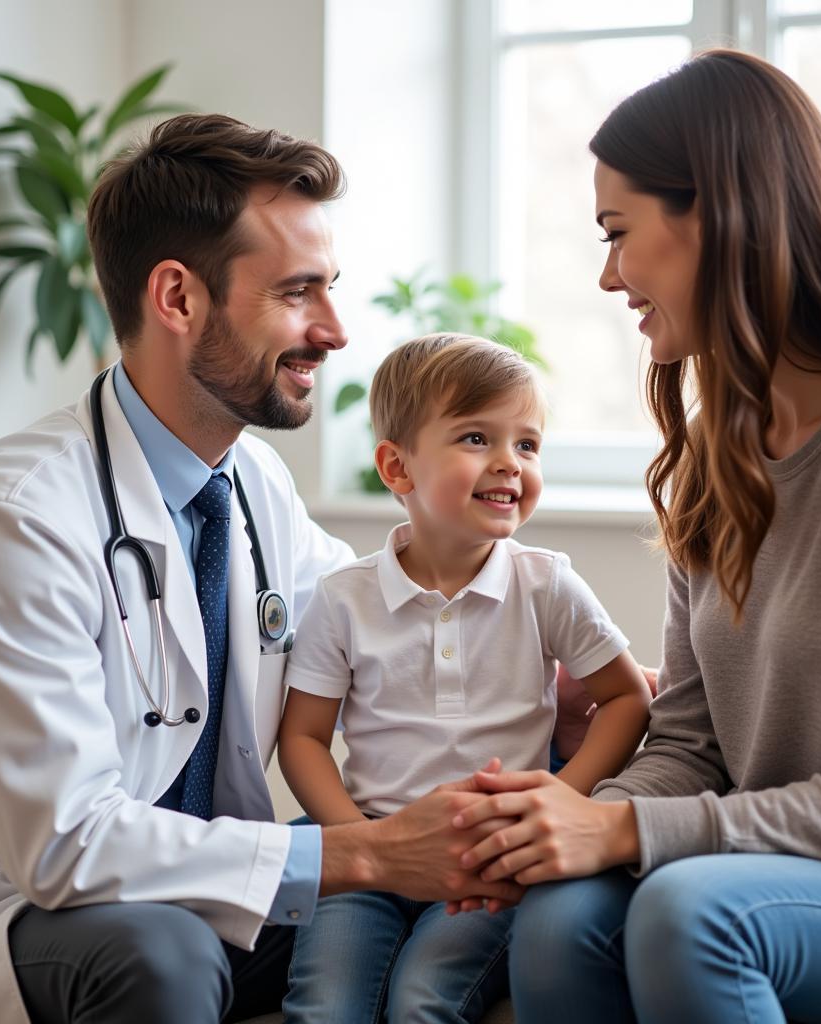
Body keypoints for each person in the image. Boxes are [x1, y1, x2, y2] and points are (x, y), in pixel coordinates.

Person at [0, 114, 520, 1024]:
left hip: (212, 877)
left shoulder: (251, 481)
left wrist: (550, 670)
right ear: (177, 298)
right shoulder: (14, 517)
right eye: (298, 294)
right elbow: (64, 846)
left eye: (329, 290)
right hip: (45, 917)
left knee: (479, 872)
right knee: (165, 946)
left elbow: (376, 617)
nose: (333, 331)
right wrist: (365, 853)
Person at [449, 49, 821, 1023]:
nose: (606, 275)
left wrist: (627, 828)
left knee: (693, 916)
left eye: (618, 232)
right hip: (772, 862)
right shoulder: (713, 453)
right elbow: (690, 738)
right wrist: (562, 819)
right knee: (558, 915)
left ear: (719, 218)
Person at [277, 333, 652, 1023]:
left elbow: (628, 698)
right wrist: (357, 841)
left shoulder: (548, 585)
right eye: (478, 437)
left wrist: (558, 803)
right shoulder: (344, 597)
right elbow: (301, 737)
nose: (510, 463)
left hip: (493, 861)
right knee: (326, 1008)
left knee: (424, 1001)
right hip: (369, 858)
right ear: (398, 468)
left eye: (529, 445)